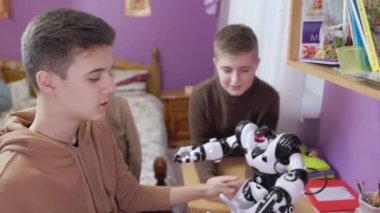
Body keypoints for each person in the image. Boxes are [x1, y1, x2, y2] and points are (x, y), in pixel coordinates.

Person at [0, 8, 240, 212]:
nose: (112, 87)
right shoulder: (10, 183)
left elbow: (129, 195)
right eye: (94, 77)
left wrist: (205, 190)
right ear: (48, 82)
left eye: (109, 72)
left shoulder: (96, 129)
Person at [189, 24, 280, 184]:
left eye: (245, 70)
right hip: (212, 164)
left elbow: (262, 148)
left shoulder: (269, 97)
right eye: (227, 70)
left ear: (257, 65)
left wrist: (252, 183)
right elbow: (200, 145)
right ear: (215, 64)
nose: (235, 80)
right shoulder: (200, 95)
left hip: (250, 167)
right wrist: (209, 179)